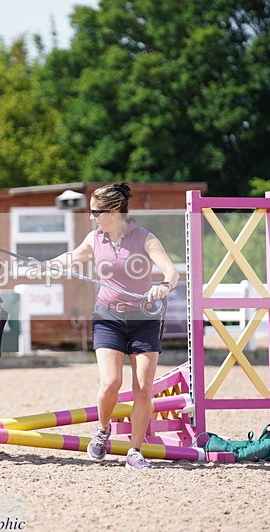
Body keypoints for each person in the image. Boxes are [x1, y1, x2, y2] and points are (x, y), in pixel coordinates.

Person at [45, 182, 179, 470]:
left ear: (114, 211)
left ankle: (135, 450)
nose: (92, 217)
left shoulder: (144, 238)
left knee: (143, 388)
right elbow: (72, 257)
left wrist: (164, 285)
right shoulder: (95, 239)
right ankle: (102, 430)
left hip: (144, 320)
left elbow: (171, 270)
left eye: (96, 212)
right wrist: (49, 264)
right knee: (110, 383)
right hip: (109, 318)